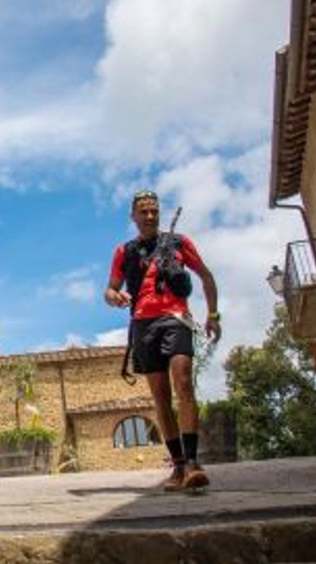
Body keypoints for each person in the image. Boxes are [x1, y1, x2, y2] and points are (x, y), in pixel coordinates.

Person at [104, 189, 220, 491]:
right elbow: (110, 289)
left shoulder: (179, 243)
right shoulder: (124, 252)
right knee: (160, 397)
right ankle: (178, 466)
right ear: (133, 216)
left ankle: (193, 462)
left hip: (175, 319)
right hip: (143, 325)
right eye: (143, 211)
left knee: (183, 382)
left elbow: (206, 277)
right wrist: (115, 297)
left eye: (154, 210)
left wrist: (213, 315)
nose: (150, 215)